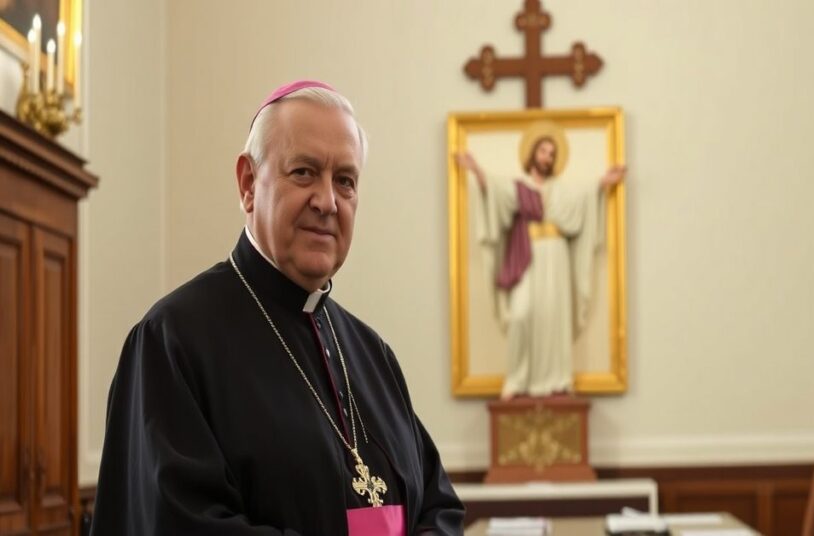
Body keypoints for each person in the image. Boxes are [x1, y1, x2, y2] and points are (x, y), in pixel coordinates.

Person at [90, 80, 463, 535]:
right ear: (248, 184)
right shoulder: (172, 341)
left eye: (345, 181)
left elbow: (439, 505)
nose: (327, 202)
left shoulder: (372, 353)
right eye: (304, 172)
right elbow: (179, 523)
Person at [456, 121, 625, 400]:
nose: (547, 157)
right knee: (521, 314)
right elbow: (496, 190)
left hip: (556, 257)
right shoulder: (518, 188)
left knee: (555, 317)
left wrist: (603, 183)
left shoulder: (562, 191)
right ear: (533, 153)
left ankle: (557, 379)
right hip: (529, 257)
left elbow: (584, 195)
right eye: (544, 151)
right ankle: (517, 378)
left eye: (552, 153)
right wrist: (474, 169)